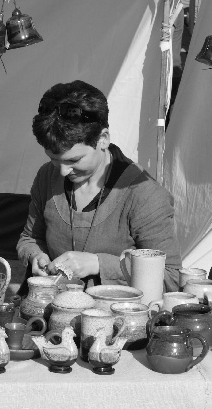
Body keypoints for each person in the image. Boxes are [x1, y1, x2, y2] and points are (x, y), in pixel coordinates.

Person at [16, 80, 182, 291]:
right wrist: (35, 256)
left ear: (103, 139)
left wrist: (98, 264)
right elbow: (30, 238)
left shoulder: (144, 195)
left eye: (74, 160)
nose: (63, 171)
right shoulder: (47, 176)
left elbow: (170, 276)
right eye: (54, 159)